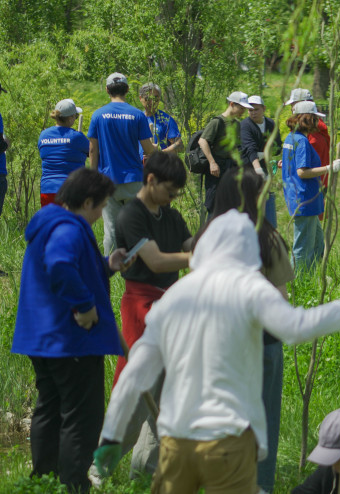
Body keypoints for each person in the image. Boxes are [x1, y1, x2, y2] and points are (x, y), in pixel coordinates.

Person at [92, 211, 340, 494]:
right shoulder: (250, 288)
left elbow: (135, 373)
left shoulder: (174, 295)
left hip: (177, 442)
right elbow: (295, 327)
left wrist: (111, 438)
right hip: (226, 440)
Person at [12, 168, 126, 493]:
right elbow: (60, 264)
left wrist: (106, 265)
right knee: (81, 418)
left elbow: (72, 266)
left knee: (49, 409)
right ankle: (74, 485)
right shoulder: (69, 229)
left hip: (41, 338)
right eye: (101, 206)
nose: (102, 212)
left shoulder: (49, 222)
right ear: (87, 201)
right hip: (70, 339)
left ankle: (44, 481)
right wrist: (84, 306)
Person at [207, 171, 294, 493]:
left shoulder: (208, 236)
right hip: (261, 343)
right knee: (263, 421)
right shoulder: (266, 237)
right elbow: (280, 299)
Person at [109, 152, 193, 479]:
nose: (174, 198)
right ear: (151, 180)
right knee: (137, 394)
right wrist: (196, 257)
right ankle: (97, 468)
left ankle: (144, 472)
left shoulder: (171, 216)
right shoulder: (131, 216)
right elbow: (156, 262)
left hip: (171, 308)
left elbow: (191, 242)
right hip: (142, 308)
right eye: (170, 191)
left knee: (168, 396)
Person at [88, 72, 156, 253]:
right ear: (126, 89)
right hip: (134, 179)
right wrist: (157, 148)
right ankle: (139, 264)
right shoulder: (137, 115)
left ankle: (111, 269)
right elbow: (148, 149)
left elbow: (93, 150)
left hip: (108, 180)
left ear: (107, 90)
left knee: (111, 229)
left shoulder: (97, 115)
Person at [282, 101, 340, 272]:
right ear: (307, 119)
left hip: (305, 199)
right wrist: (329, 168)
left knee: (317, 243)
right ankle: (297, 286)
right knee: (302, 248)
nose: (317, 122)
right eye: (315, 118)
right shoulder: (302, 141)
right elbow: (302, 172)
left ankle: (314, 277)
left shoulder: (290, 138)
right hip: (304, 199)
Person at [198, 91, 251, 213]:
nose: (243, 111)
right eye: (241, 108)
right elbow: (203, 141)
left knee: (230, 206)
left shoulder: (236, 124)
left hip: (231, 169)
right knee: (214, 206)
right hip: (217, 170)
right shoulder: (217, 122)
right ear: (232, 104)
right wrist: (212, 162)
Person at [38, 99, 90, 207]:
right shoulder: (76, 137)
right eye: (75, 116)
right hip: (71, 190)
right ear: (70, 117)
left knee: (52, 223)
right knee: (71, 223)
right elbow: (93, 152)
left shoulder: (43, 135)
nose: (75, 119)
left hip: (48, 189)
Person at [240, 95, 279, 228]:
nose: (253, 112)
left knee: (265, 202)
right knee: (252, 205)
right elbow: (250, 150)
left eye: (256, 109)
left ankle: (264, 232)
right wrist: (258, 170)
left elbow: (277, 146)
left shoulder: (270, 124)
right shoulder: (245, 125)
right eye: (250, 110)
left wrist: (266, 155)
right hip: (249, 170)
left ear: (263, 109)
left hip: (265, 169)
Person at [284, 89, 331, 188]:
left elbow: (306, 167)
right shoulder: (304, 133)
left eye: (293, 104)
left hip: (312, 185)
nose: (292, 108)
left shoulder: (313, 134)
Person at [138, 83, 182, 154]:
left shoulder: (165, 120)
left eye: (155, 98)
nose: (152, 102)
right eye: (148, 98)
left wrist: (159, 154)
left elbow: (179, 145)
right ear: (140, 98)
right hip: (138, 163)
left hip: (159, 163)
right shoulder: (137, 118)